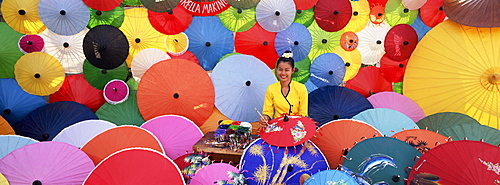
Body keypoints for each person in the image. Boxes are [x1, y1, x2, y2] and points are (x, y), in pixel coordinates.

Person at [258, 51, 308, 128]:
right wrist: (265, 118)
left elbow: (303, 113)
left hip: (296, 127)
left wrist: (295, 126)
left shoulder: (301, 88)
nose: (283, 73)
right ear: (276, 70)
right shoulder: (271, 88)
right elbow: (268, 111)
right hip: (278, 126)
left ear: (292, 70)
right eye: (280, 69)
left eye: (287, 70)